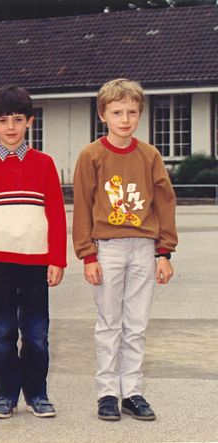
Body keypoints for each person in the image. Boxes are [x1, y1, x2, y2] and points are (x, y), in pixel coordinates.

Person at [72, 78, 177, 422]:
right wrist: (88, 254)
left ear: (140, 114)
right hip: (108, 248)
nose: (125, 119)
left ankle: (132, 391)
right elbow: (83, 207)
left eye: (132, 112)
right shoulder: (91, 155)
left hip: (144, 247)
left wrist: (164, 252)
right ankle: (106, 393)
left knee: (136, 324)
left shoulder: (149, 155)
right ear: (103, 114)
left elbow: (164, 203)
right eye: (117, 112)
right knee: (109, 324)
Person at [0, 86, 66, 419]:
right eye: (4, 120)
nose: (11, 127)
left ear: (30, 121)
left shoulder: (44, 164)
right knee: (2, 332)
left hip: (36, 262)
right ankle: (5, 395)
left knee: (37, 334)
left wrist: (57, 258)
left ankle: (37, 394)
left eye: (18, 119)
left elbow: (55, 212)